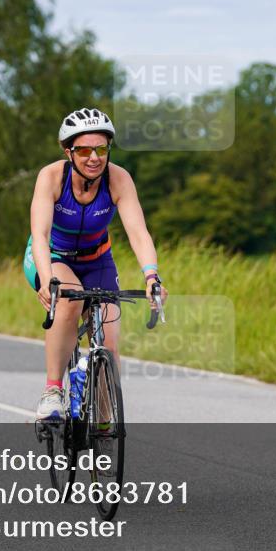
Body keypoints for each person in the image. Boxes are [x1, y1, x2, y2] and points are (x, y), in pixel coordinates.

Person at [25, 107, 167, 420]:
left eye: (101, 149)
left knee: (110, 341)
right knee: (69, 301)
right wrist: (48, 278)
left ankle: (103, 423)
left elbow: (138, 233)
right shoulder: (51, 177)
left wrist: (151, 276)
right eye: (85, 150)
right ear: (68, 152)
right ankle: (52, 392)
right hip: (53, 257)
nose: (94, 157)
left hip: (97, 260)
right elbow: (41, 233)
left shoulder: (118, 179)